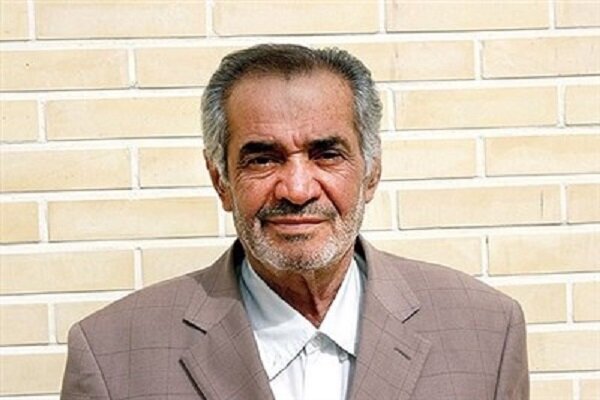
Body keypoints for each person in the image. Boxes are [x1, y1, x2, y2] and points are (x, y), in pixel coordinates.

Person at [61, 44, 529, 400]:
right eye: (263, 159)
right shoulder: (110, 357)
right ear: (221, 180)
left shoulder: (487, 331)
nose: (298, 189)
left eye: (327, 154)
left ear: (371, 173)